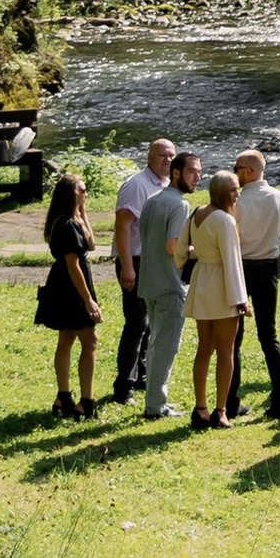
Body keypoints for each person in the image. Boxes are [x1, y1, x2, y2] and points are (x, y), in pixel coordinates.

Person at [225, 146, 280, 423]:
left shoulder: (237, 203)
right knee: (269, 336)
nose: (234, 174)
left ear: (249, 171)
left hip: (239, 269)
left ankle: (230, 401)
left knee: (234, 338)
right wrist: (278, 270)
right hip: (268, 269)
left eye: (236, 169)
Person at [179, 170, 249, 433]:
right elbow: (232, 261)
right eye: (233, 190)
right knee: (226, 351)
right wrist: (241, 299)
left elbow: (180, 251)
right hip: (221, 286)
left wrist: (197, 256)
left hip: (201, 282)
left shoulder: (196, 213)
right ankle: (220, 411)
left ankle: (200, 408)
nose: (237, 194)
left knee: (204, 348)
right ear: (222, 192)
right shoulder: (225, 220)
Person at [135, 148, 200, 420]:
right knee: (166, 346)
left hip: (149, 282)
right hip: (170, 285)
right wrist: (202, 249)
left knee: (155, 344)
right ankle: (155, 406)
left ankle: (154, 400)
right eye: (191, 171)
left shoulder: (152, 200)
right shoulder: (179, 205)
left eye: (199, 172)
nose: (197, 177)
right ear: (176, 173)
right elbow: (173, 246)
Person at [35, 168, 102, 418]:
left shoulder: (68, 221)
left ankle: (63, 397)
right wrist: (88, 300)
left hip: (63, 284)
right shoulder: (67, 225)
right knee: (90, 340)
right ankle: (86, 401)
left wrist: (83, 212)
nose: (86, 193)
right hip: (72, 286)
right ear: (70, 194)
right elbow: (74, 266)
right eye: (81, 190)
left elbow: (91, 245)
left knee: (66, 338)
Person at [111, 137, 173, 404]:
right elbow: (122, 226)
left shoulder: (166, 185)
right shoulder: (137, 185)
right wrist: (127, 267)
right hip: (135, 261)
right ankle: (123, 387)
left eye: (171, 156)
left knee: (150, 324)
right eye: (162, 155)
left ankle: (141, 377)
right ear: (149, 157)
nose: (167, 160)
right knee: (136, 324)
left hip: (153, 262)